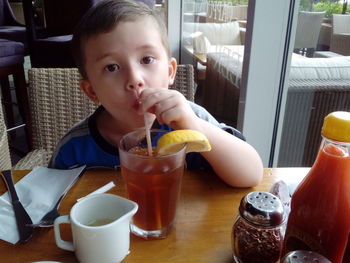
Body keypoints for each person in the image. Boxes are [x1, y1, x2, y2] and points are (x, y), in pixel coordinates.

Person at [49, 0, 263, 187]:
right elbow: (52, 202)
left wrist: (196, 128)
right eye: (112, 67)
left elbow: (251, 175)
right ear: (92, 91)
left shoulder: (191, 119)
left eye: (147, 59)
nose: (135, 79)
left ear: (170, 72)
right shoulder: (74, 149)